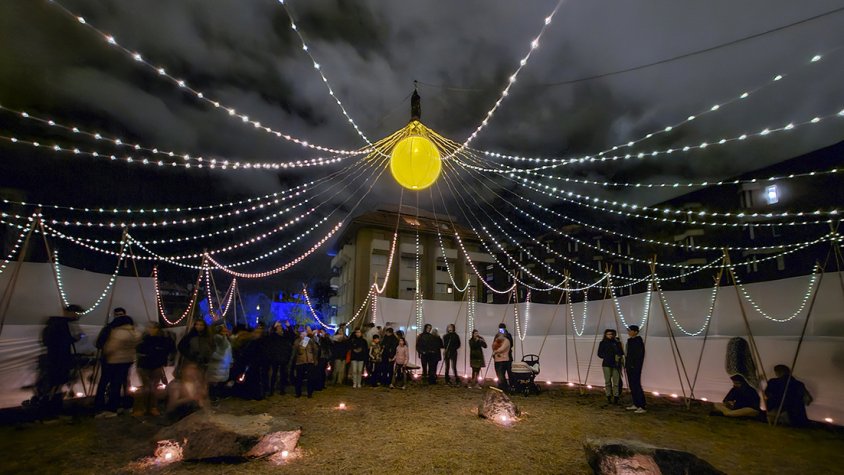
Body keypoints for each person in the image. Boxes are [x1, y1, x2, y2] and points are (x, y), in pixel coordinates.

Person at [37, 305, 83, 418]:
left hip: (54, 358)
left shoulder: (53, 324)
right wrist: (75, 339)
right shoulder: (61, 325)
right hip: (59, 359)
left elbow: (48, 341)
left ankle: (52, 410)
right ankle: (52, 411)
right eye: (76, 313)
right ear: (69, 312)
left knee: (56, 384)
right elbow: (62, 342)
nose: (77, 316)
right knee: (56, 384)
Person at [98, 314, 140, 417]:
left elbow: (110, 348)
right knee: (121, 384)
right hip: (127, 361)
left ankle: (109, 408)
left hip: (113, 361)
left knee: (110, 384)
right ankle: (123, 405)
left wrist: (105, 354)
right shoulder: (135, 333)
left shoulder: (118, 333)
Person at [134, 322, 175, 416]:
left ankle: (153, 407)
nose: (151, 330)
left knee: (154, 387)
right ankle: (142, 407)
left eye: (154, 328)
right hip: (144, 365)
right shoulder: (143, 339)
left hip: (156, 365)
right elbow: (139, 350)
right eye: (150, 328)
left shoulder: (163, 340)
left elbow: (168, 350)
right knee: (146, 387)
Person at [206, 324, 233, 402]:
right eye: (224, 330)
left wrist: (230, 360)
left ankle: (217, 395)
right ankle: (213, 396)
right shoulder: (218, 338)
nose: (226, 331)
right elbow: (223, 348)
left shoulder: (224, 338)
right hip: (218, 363)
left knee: (219, 380)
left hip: (223, 362)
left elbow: (228, 351)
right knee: (215, 381)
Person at [597, 328, 624, 405]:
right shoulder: (602, 343)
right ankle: (608, 396)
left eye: (611, 334)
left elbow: (621, 353)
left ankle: (616, 396)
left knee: (616, 382)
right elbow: (599, 354)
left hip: (616, 364)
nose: (610, 336)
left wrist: (618, 356)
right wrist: (606, 356)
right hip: (606, 364)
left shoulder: (617, 343)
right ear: (605, 335)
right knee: (608, 381)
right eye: (608, 334)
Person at [290, 327, 319, 398]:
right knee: (299, 378)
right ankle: (298, 393)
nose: (303, 335)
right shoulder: (297, 341)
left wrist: (315, 359)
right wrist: (292, 361)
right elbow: (295, 351)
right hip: (300, 361)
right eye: (302, 333)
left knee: (310, 378)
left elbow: (315, 350)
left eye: (304, 333)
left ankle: (310, 393)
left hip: (310, 361)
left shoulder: (310, 341)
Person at [265, 322, 292, 396]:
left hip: (283, 357)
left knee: (283, 374)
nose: (280, 328)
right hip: (275, 357)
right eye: (278, 327)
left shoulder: (284, 335)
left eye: (280, 327)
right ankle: (272, 390)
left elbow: (291, 335)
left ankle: (282, 389)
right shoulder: (273, 336)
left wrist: (289, 327)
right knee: (274, 374)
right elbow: (269, 336)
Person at [624, 325, 646, 414]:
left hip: (635, 367)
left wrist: (634, 365)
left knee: (636, 385)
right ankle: (636, 404)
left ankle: (642, 405)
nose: (629, 332)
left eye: (630, 331)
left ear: (635, 332)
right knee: (632, 386)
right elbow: (628, 355)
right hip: (629, 366)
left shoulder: (638, 341)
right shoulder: (630, 341)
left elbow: (639, 355)